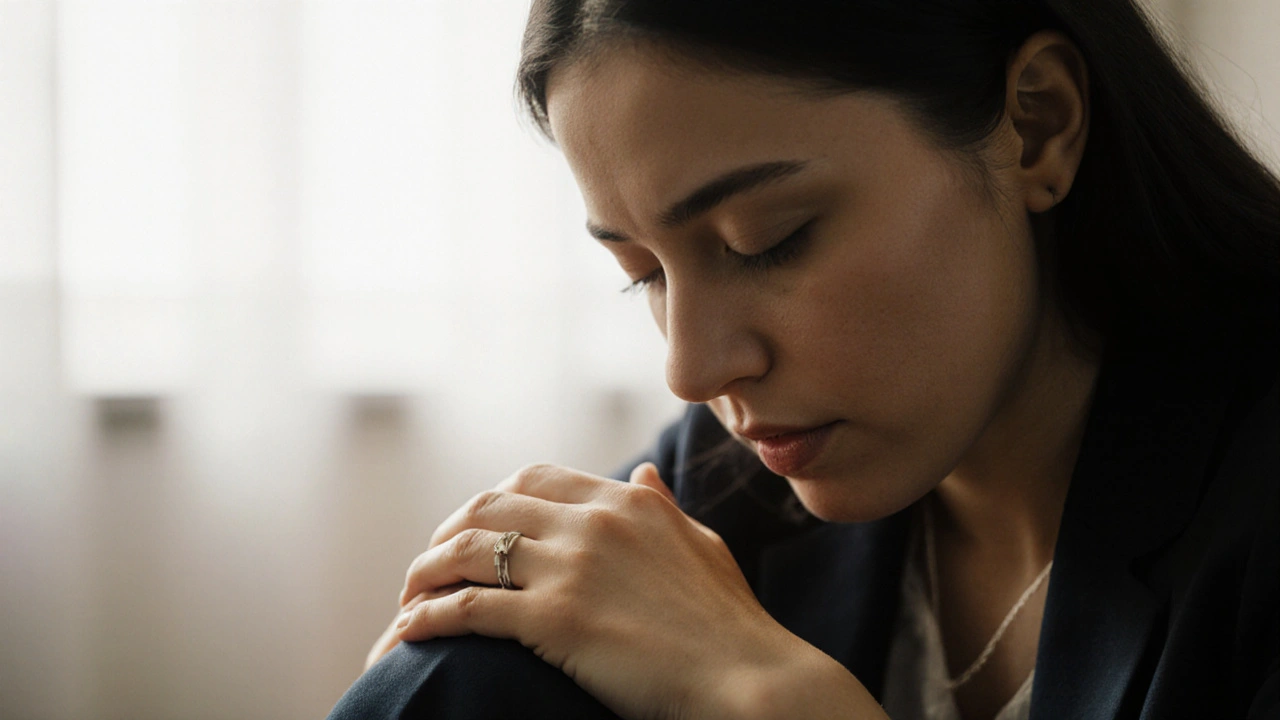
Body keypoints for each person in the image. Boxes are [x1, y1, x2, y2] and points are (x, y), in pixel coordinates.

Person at [328, 1, 1280, 718]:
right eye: (643, 273)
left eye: (765, 242)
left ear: (1035, 124)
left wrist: (781, 698)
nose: (694, 371)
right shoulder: (728, 476)